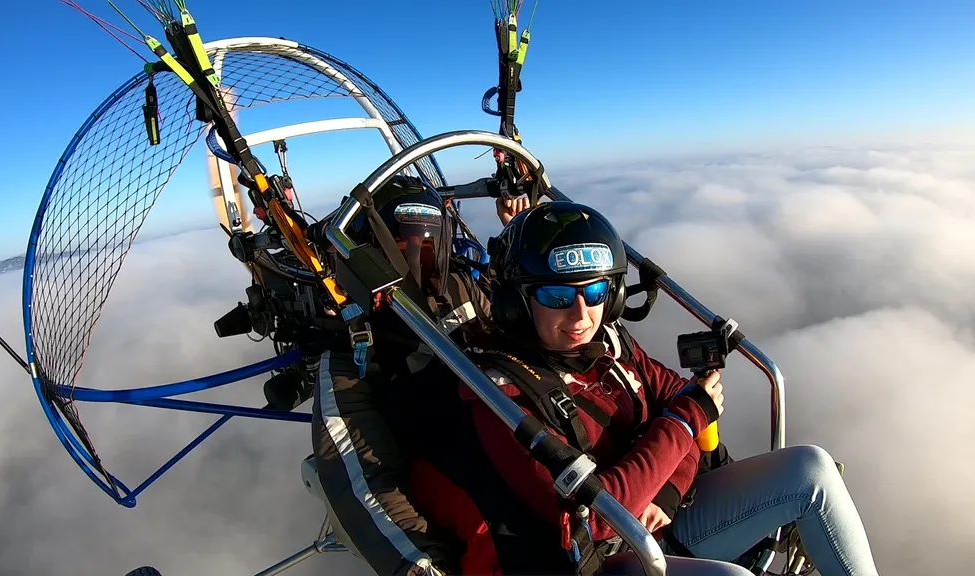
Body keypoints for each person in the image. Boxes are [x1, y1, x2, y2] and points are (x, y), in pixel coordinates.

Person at [439, 200, 880, 575]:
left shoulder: (609, 344)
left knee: (812, 470)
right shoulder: (501, 396)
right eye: (556, 297)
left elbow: (684, 403)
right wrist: (685, 422)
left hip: (661, 517)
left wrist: (668, 489)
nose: (580, 316)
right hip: (604, 560)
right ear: (517, 303)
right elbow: (595, 518)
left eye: (594, 292)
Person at [310, 175, 497, 576]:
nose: (415, 260)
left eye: (427, 247)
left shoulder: (462, 292)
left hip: (510, 444)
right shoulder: (352, 348)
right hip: (454, 483)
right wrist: (420, 563)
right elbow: (360, 474)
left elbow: (528, 341)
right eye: (398, 249)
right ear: (366, 260)